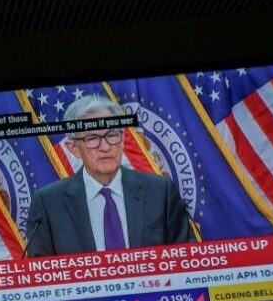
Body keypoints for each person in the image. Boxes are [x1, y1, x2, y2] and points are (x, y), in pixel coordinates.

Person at [24, 95, 191, 257]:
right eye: (92, 138)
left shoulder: (160, 192)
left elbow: (185, 258)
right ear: (73, 148)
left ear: (123, 139)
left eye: (111, 135)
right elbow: (42, 275)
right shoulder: (48, 203)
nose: (105, 147)